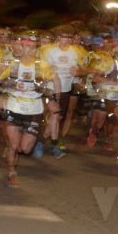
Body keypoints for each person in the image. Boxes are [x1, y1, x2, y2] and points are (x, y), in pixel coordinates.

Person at [0, 32, 54, 187]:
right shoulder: (11, 64)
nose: (29, 49)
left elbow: (50, 88)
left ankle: (14, 156)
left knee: (24, 149)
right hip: (13, 108)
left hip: (34, 110)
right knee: (13, 145)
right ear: (21, 47)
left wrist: (51, 102)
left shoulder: (43, 65)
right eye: (26, 46)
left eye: (32, 47)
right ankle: (12, 172)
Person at [39, 27, 88, 158]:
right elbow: (41, 70)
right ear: (58, 38)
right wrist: (49, 71)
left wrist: (78, 72)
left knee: (57, 118)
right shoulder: (49, 51)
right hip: (51, 88)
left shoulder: (76, 52)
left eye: (68, 38)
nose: (65, 40)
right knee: (55, 115)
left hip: (66, 89)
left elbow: (85, 69)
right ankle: (55, 147)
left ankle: (41, 140)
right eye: (63, 37)